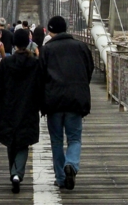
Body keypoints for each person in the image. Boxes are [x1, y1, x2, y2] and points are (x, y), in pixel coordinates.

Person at [0, 29, 44, 194]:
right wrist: (43, 106)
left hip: (8, 107)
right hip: (28, 108)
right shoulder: (35, 63)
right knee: (23, 142)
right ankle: (17, 173)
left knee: (11, 140)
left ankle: (14, 172)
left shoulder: (6, 64)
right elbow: (40, 87)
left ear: (14, 44)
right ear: (28, 42)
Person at [40, 15, 93, 190]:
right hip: (75, 100)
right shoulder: (81, 47)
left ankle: (61, 179)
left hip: (53, 101)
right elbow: (89, 70)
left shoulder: (47, 50)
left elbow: (40, 77)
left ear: (50, 30)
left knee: (56, 141)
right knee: (74, 139)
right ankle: (71, 164)